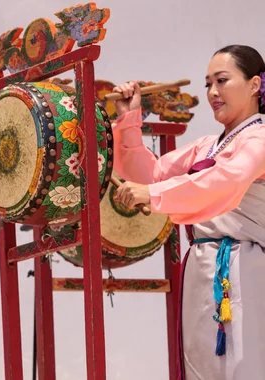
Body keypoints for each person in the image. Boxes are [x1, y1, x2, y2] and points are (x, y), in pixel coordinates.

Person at [111, 44, 265, 380]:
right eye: (208, 83)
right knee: (201, 367)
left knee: (243, 366)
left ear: (255, 85)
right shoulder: (207, 145)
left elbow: (223, 181)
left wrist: (152, 194)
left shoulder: (259, 138)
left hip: (243, 265)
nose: (212, 92)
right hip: (201, 266)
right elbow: (150, 175)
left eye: (222, 81)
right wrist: (129, 119)